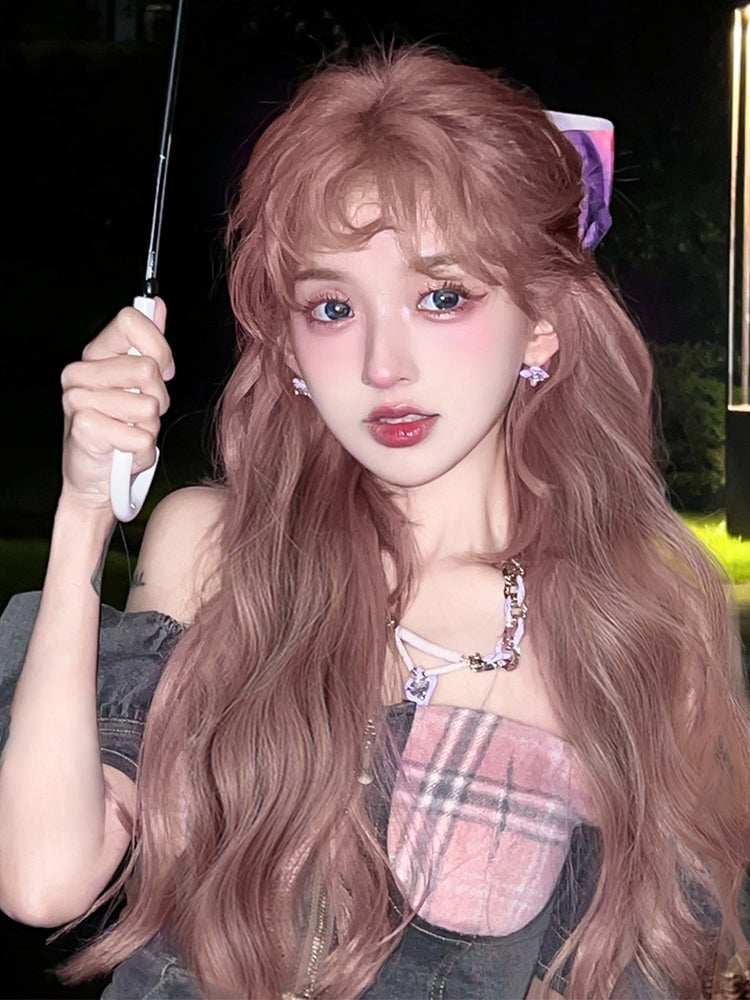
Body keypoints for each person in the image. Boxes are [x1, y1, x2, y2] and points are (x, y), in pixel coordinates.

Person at [0, 45, 749, 1000]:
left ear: (543, 321)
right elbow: (41, 877)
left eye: (442, 296)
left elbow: (668, 958)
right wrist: (81, 514)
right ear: (290, 344)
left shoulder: (636, 614)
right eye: (332, 306)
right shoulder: (216, 552)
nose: (382, 364)